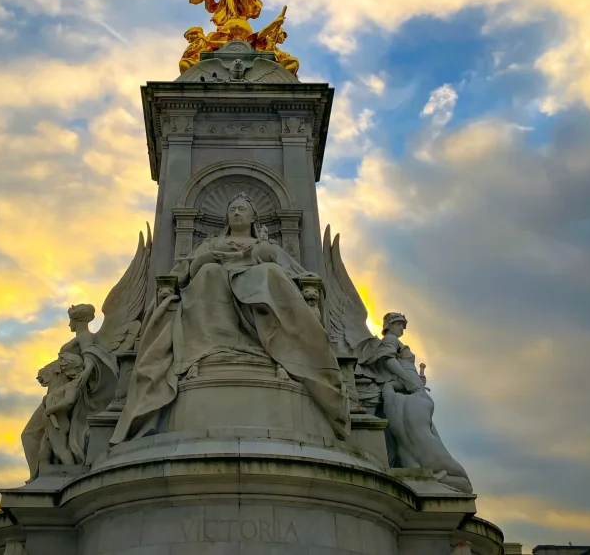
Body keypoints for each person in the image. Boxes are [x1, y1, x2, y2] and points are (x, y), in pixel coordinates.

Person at [112, 193, 349, 443]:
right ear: (226, 216)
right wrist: (206, 260)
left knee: (270, 273)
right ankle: (205, 352)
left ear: (253, 217)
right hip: (215, 284)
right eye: (233, 209)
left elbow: (293, 271)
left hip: (256, 284)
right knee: (209, 273)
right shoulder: (211, 243)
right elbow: (186, 271)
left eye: (242, 209)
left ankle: (274, 349)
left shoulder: (266, 246)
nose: (236, 213)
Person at [356, 313, 472, 493]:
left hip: (408, 391)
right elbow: (388, 360)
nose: (402, 328)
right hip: (407, 392)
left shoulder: (396, 342)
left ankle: (435, 472)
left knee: (420, 437)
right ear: (389, 325)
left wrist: (416, 379)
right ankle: (441, 473)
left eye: (403, 325)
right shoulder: (391, 340)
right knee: (422, 437)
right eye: (399, 324)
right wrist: (408, 380)